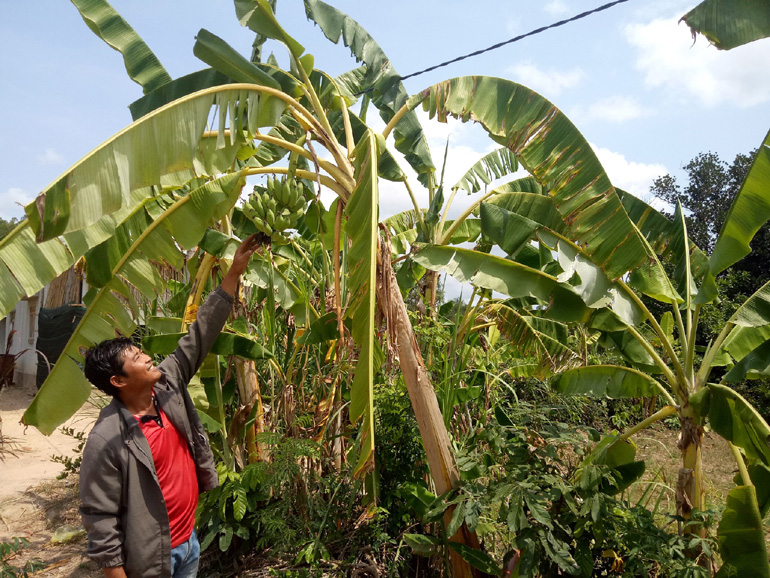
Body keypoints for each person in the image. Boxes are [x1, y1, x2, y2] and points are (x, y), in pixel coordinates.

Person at [79, 234, 260, 578]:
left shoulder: (167, 386)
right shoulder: (108, 438)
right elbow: (100, 518)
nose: (147, 357)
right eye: (136, 358)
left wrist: (234, 271)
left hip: (189, 543)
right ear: (118, 381)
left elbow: (201, 334)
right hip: (151, 560)